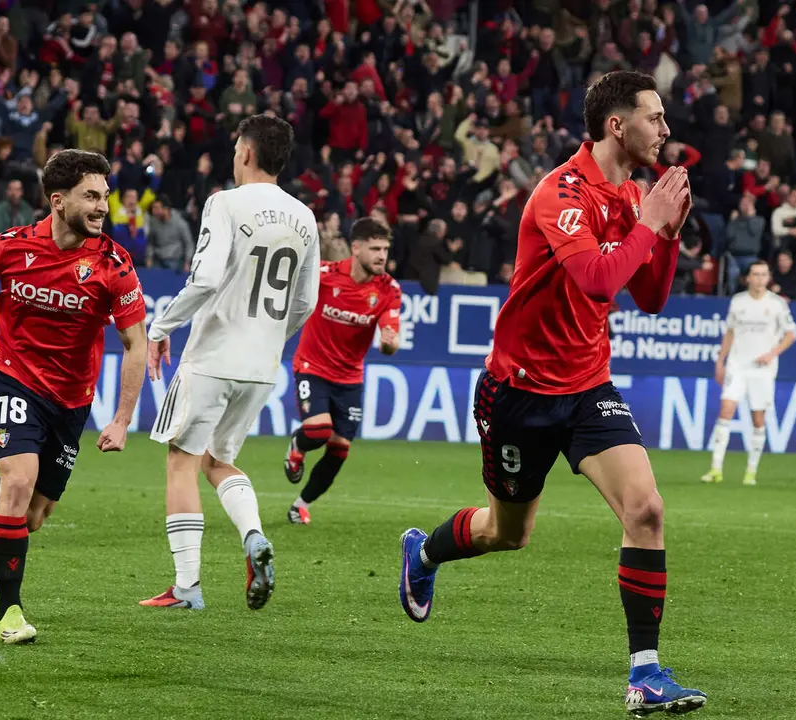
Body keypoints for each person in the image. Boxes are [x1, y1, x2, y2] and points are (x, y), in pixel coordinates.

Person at [396, 70, 705, 716]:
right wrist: (648, 224)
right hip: (519, 393)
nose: (666, 128)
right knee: (508, 532)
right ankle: (423, 551)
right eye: (655, 116)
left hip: (588, 385)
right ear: (617, 125)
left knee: (645, 510)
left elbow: (647, 298)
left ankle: (644, 675)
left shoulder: (627, 198)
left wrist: (666, 236)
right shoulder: (559, 191)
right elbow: (597, 279)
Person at [0, 150, 148, 644]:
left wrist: (123, 418)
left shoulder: (113, 263)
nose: (102, 208)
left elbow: (136, 344)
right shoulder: (9, 247)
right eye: (92, 196)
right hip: (16, 379)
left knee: (31, 516)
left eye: (105, 197)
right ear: (58, 200)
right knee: (18, 481)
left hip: (72, 400)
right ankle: (11, 614)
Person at [139, 116, 320, 612]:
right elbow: (306, 302)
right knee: (219, 461)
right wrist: (267, 337)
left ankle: (186, 587)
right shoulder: (305, 217)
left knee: (182, 459)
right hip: (263, 366)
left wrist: (161, 328)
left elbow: (203, 280)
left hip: (214, 355)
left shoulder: (224, 203)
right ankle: (254, 536)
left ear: (245, 152)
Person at [283, 217, 401, 524]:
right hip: (313, 367)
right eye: (375, 248)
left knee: (340, 449)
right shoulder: (322, 275)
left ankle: (300, 505)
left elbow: (390, 340)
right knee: (319, 432)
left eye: (385, 249)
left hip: (350, 379)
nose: (381, 256)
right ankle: (298, 444)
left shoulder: (389, 289)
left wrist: (389, 343)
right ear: (356, 247)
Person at [702, 260, 796, 485]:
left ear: (769, 277)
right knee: (725, 411)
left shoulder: (777, 304)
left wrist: (772, 354)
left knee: (758, 419)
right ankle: (716, 469)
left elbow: (791, 334)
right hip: (737, 365)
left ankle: (751, 471)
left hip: (762, 370)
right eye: (756, 274)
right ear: (748, 278)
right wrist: (720, 361)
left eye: (764, 274)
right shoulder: (738, 302)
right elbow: (730, 333)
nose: (760, 278)